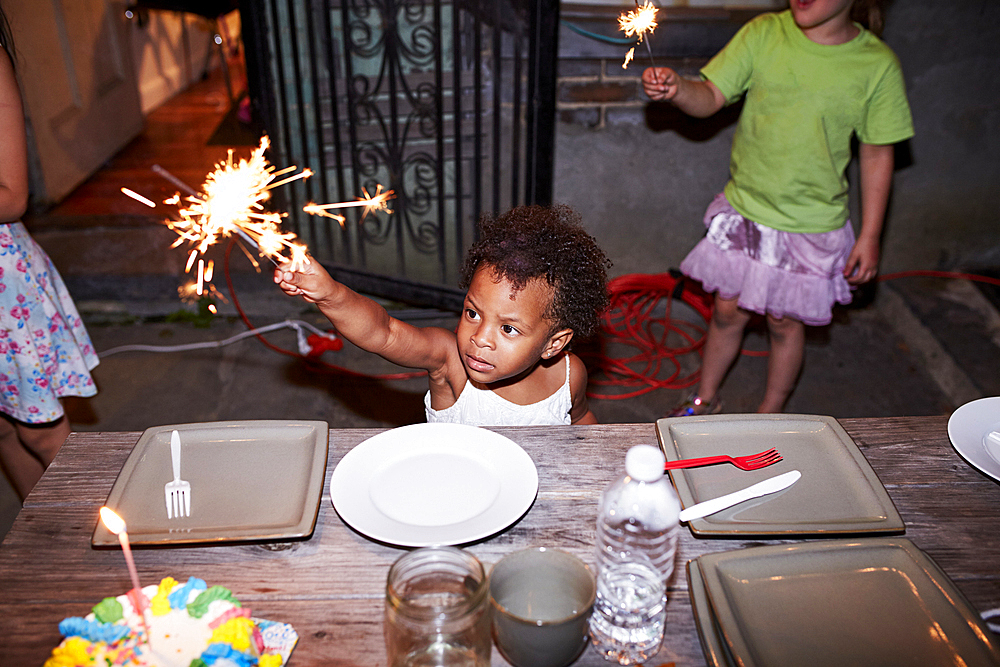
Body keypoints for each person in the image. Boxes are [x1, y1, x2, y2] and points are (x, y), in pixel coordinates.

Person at [642, 0, 913, 415]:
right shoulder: (764, 32)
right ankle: (704, 399)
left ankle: (770, 415)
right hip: (746, 213)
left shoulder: (877, 64)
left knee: (784, 323)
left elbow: (878, 153)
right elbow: (712, 95)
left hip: (811, 225)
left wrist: (872, 235)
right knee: (727, 312)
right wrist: (680, 89)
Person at [275, 204, 610, 425]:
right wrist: (330, 294)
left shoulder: (569, 375)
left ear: (554, 344)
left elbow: (581, 421)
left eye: (508, 329)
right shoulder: (450, 363)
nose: (479, 339)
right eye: (472, 313)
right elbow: (384, 331)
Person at [0, 6, 100, 499]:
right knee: (2, 428)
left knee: (39, 427)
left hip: (2, 284)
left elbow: (12, 196)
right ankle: (40, 545)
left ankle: (90, 544)